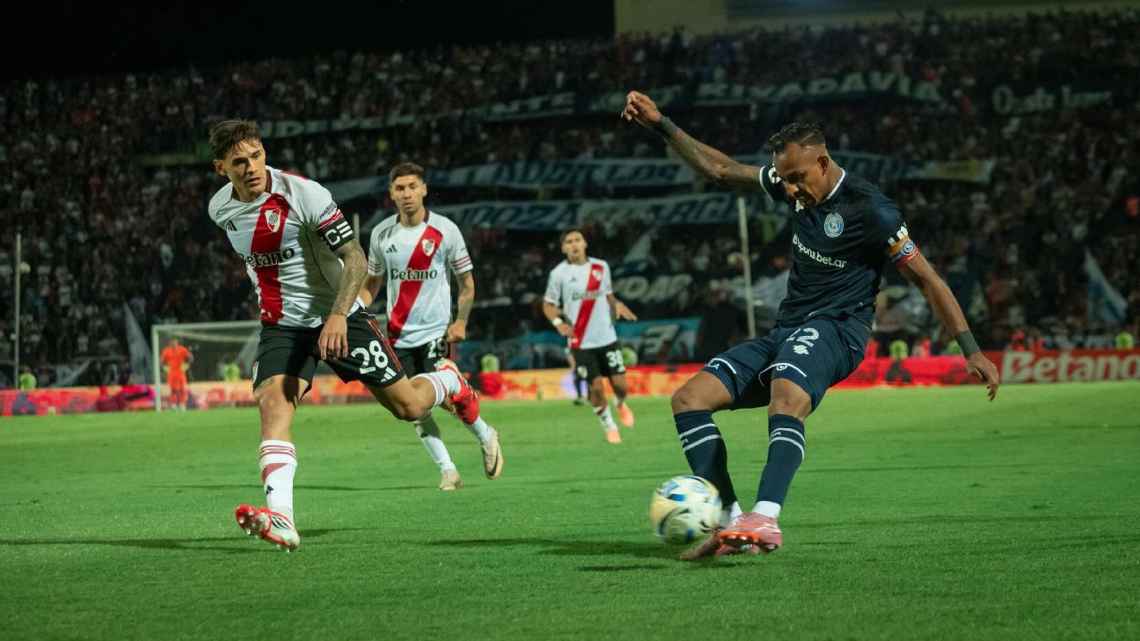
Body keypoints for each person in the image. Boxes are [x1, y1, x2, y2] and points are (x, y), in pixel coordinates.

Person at [622, 91, 1000, 559]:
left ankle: (766, 517)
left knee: (786, 391)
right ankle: (731, 523)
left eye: (797, 178)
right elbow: (719, 170)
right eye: (783, 179)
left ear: (822, 161)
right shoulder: (791, 181)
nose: (790, 189)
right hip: (788, 330)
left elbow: (928, 279)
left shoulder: (872, 210)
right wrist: (662, 123)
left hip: (839, 329)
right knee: (689, 399)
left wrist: (972, 349)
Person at [207, 120, 480, 552]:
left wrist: (336, 315)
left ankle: (449, 381)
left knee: (408, 407)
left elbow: (353, 258)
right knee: (273, 402)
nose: (252, 167)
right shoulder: (220, 208)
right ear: (221, 167)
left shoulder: (305, 194)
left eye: (257, 155)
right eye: (239, 162)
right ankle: (282, 519)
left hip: (341, 316)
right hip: (283, 325)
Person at [361, 162, 503, 491]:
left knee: (443, 401)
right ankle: (448, 469)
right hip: (397, 335)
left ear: (424, 189)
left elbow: (467, 283)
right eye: (400, 188)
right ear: (391, 195)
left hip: (436, 333)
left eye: (413, 186)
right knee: (412, 409)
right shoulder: (382, 234)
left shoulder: (445, 231)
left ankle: (484, 434)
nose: (407, 194)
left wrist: (461, 321)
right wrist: (353, 309)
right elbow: (372, 284)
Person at [543, 229, 639, 443]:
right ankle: (608, 424)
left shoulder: (600, 267)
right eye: (569, 242)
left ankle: (621, 403)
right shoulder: (558, 274)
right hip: (580, 341)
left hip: (607, 337)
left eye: (578, 240)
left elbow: (608, 294)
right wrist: (558, 323)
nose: (574, 244)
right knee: (595, 387)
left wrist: (617, 304)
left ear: (585, 243)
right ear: (563, 248)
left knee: (621, 386)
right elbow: (548, 305)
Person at [159, 337, 193, 410]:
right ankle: (173, 405)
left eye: (175, 341)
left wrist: (186, 366)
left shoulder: (182, 349)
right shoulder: (166, 350)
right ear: (170, 342)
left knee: (182, 389)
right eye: (172, 341)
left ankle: (182, 404)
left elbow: (190, 357)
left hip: (181, 373)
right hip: (171, 373)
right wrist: (164, 368)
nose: (174, 343)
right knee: (173, 390)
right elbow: (161, 361)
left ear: (177, 342)